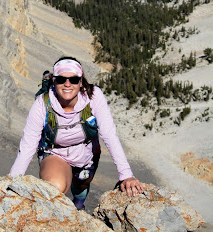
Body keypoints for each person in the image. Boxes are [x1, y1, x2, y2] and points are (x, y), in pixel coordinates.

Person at [9, 56, 143, 210]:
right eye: (61, 79)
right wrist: (13, 182)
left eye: (73, 80)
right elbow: (28, 145)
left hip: (86, 154)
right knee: (55, 186)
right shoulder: (42, 104)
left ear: (81, 82)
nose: (67, 84)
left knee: (80, 188)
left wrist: (126, 174)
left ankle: (79, 207)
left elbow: (109, 135)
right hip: (55, 152)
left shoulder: (94, 96)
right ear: (54, 81)